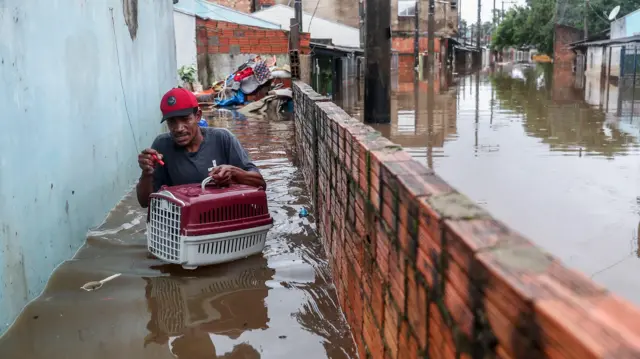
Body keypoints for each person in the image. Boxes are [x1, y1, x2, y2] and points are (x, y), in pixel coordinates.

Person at [136, 87, 265, 208]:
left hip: (224, 215)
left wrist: (235, 173)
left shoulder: (222, 139)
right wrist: (147, 173)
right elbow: (145, 203)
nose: (179, 128)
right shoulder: (162, 146)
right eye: (172, 122)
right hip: (185, 224)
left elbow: (261, 184)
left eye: (185, 119)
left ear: (198, 116)